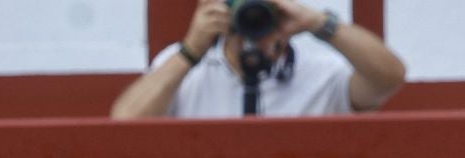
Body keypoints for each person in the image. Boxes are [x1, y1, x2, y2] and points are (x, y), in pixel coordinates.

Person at [110, 0, 405, 120]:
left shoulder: (320, 72)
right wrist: (189, 51)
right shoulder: (186, 68)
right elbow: (125, 121)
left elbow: (388, 77)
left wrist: (318, 22)